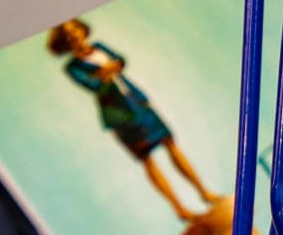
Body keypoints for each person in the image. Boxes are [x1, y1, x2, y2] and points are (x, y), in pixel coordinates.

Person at [48, 18, 218, 221]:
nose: (73, 35)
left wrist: (109, 70)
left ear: (82, 29)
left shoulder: (99, 46)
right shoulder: (72, 67)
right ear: (63, 42)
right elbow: (94, 86)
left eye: (74, 29)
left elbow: (120, 61)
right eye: (67, 35)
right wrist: (108, 71)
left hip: (137, 102)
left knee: (170, 143)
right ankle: (179, 209)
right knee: (147, 159)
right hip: (119, 117)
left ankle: (204, 192)